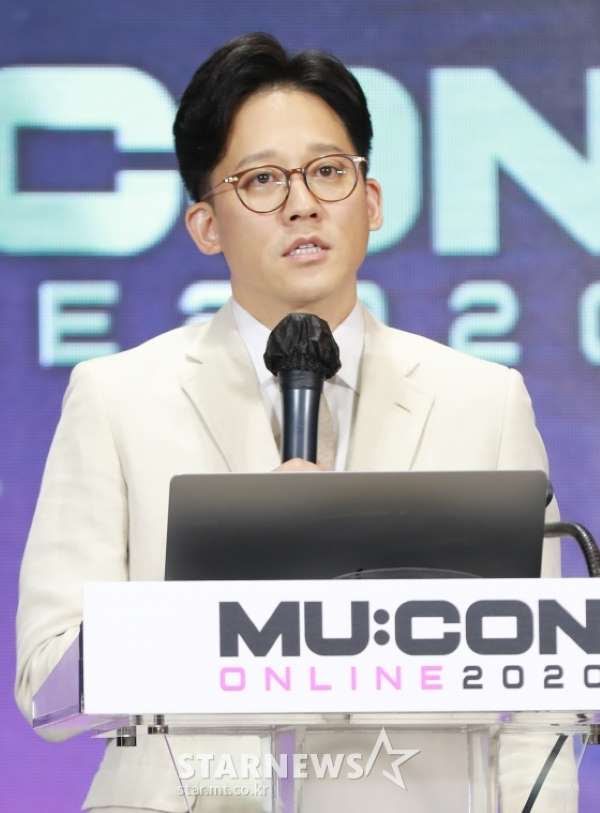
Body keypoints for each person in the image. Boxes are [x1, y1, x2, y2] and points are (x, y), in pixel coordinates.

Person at [15, 32, 577, 813]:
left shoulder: (483, 401)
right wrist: (231, 594)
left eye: (328, 171)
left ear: (371, 201)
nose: (303, 203)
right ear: (206, 225)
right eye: (261, 180)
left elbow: (541, 692)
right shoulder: (118, 397)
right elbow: (46, 679)